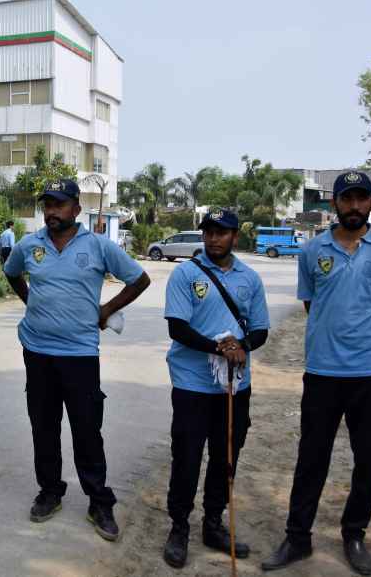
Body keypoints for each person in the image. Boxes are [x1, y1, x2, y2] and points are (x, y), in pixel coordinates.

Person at [262, 171, 371, 575]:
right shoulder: (312, 252)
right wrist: (336, 338)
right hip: (323, 371)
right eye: (347, 199)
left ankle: (354, 535)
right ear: (335, 205)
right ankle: (298, 537)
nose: (355, 206)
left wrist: (362, 340)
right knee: (312, 457)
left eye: (362, 199)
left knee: (367, 460)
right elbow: (312, 304)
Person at [4, 178, 150, 542]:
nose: (52, 211)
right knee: (44, 426)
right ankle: (50, 491)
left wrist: (106, 309)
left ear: (76, 209)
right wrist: (31, 304)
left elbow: (139, 279)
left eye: (59, 204)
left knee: (87, 430)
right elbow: (12, 273)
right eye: (47, 205)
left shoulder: (98, 246)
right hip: (37, 352)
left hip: (80, 355)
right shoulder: (29, 245)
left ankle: (99, 501)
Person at [161, 209, 270, 569]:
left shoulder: (250, 279)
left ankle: (213, 523)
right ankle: (179, 526)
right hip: (192, 385)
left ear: (235, 237)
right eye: (208, 232)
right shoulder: (185, 274)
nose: (213, 239)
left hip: (233, 388)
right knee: (187, 457)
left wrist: (242, 347)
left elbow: (260, 330)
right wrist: (219, 347)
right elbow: (177, 328)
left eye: (222, 233)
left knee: (226, 457)